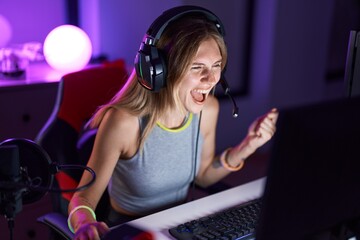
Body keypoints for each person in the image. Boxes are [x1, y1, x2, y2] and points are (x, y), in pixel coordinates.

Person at [67, 5, 278, 239]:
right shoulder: (124, 122)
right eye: (197, 67)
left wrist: (248, 145)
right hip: (133, 230)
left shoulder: (207, 110)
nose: (210, 80)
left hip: (181, 225)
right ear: (160, 70)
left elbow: (204, 176)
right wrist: (85, 222)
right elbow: (83, 198)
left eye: (216, 66)